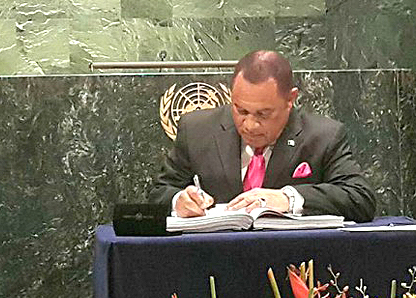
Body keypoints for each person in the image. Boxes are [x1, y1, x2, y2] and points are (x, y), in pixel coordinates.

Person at [149, 50, 376, 223]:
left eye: (263, 114)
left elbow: (360, 198)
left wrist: (288, 199)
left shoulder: (323, 136)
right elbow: (159, 192)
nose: (250, 125)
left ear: (290, 99)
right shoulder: (197, 130)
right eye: (241, 111)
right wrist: (179, 201)